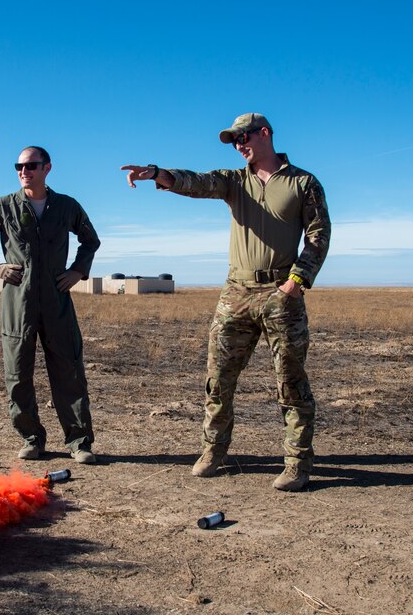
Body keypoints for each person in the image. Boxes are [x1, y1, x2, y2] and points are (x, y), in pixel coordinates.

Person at [121, 113, 331, 491]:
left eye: (243, 137)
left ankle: (298, 462)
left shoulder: (303, 182)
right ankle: (213, 451)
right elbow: (196, 182)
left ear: (264, 133)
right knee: (218, 379)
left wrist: (297, 282)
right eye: (234, 141)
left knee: (290, 381)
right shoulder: (235, 181)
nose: (239, 145)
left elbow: (318, 235)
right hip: (236, 293)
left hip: (282, 294)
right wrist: (156, 173)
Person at [0, 146, 101, 464]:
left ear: (47, 168)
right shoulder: (3, 207)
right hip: (17, 302)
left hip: (57, 300)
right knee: (18, 373)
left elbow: (90, 240)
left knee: (69, 371)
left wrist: (78, 270)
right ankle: (31, 438)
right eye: (19, 166)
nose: (24, 171)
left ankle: (79, 441)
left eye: (32, 166)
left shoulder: (66, 206)